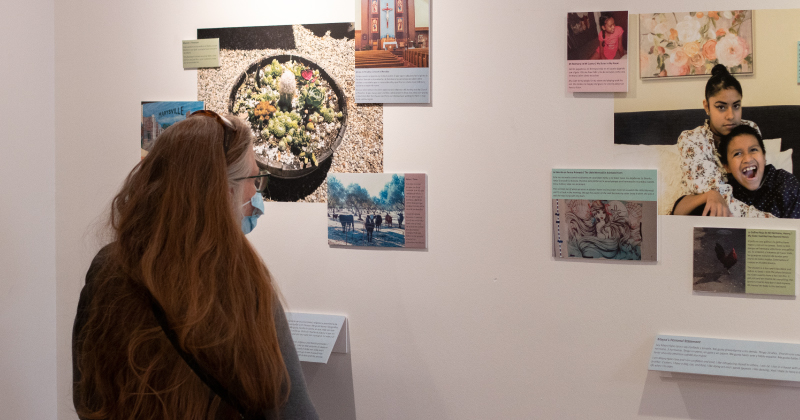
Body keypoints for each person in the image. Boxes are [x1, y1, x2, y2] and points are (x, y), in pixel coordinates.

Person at [72, 111, 319, 420]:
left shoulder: (109, 269)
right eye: (253, 180)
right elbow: (292, 410)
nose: (256, 192)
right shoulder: (245, 282)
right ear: (222, 192)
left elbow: (88, 397)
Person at [673, 64, 773, 218]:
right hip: (706, 215)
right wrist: (768, 223)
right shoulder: (692, 140)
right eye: (721, 107)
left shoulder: (750, 129)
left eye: (736, 106)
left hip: (753, 208)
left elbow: (759, 180)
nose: (731, 115)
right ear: (707, 106)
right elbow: (717, 195)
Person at [717, 125, 800, 218]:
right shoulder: (723, 189)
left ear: (764, 157)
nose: (748, 159)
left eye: (753, 150)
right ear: (727, 167)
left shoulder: (786, 184)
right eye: (737, 154)